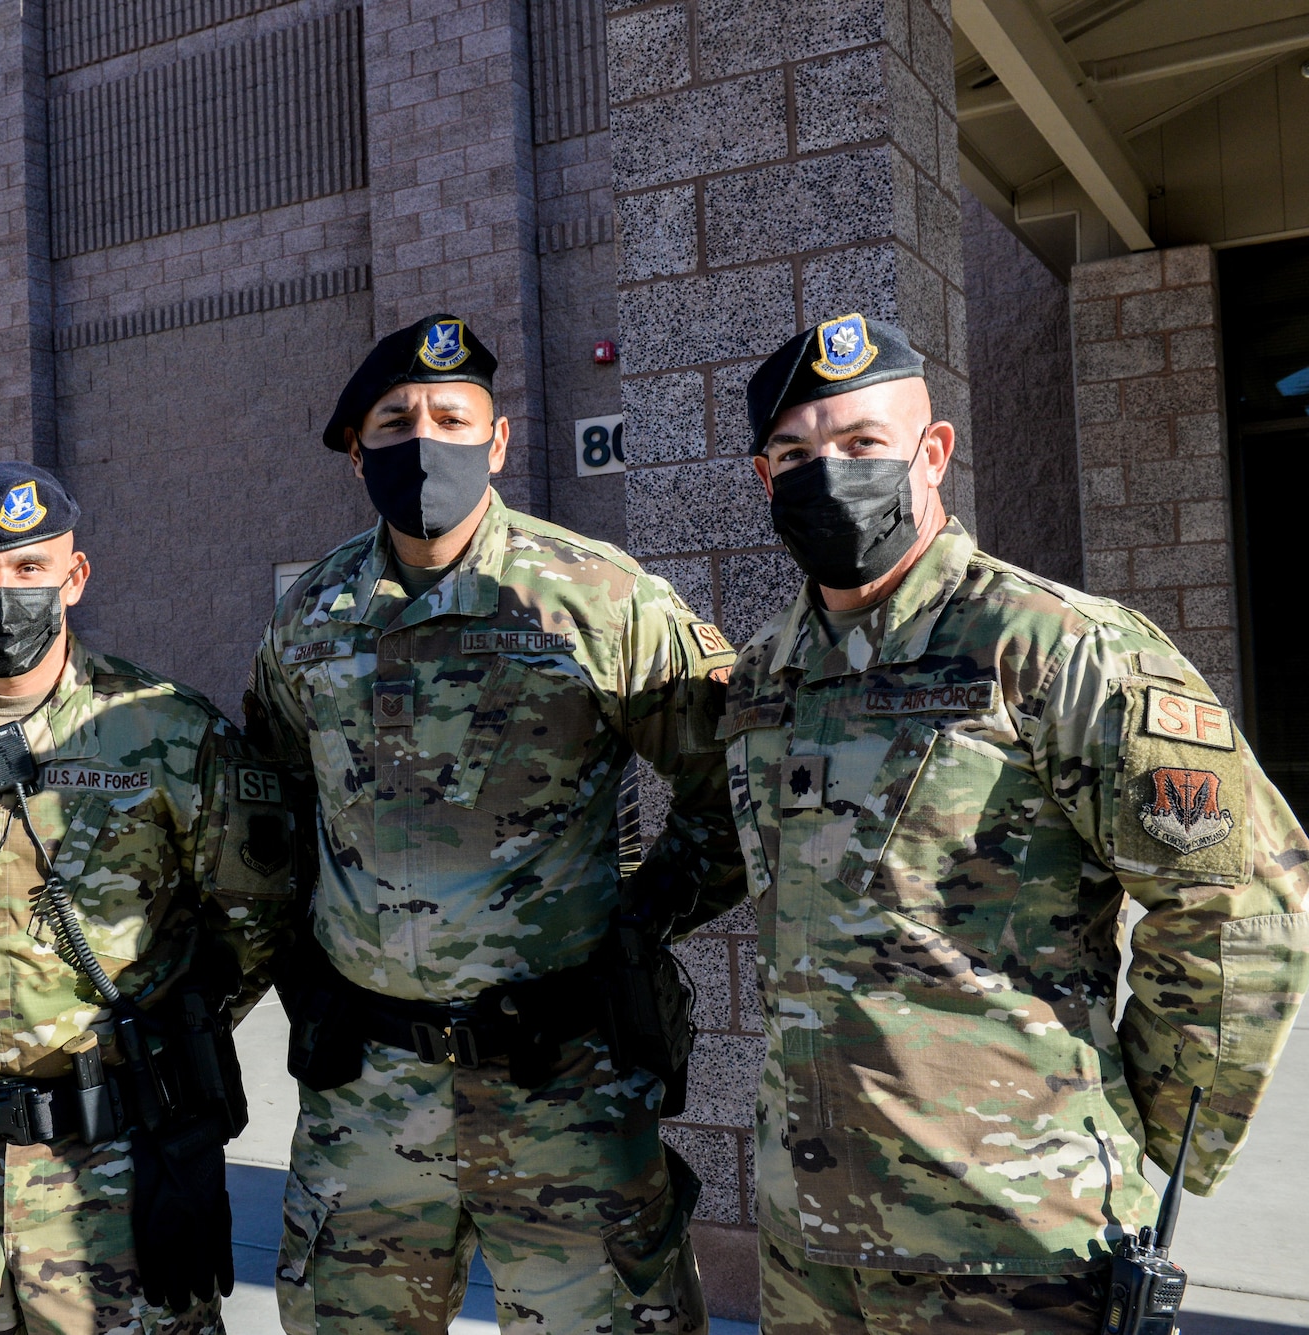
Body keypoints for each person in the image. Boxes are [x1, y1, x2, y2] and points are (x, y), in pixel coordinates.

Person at [722, 313, 1309, 1333]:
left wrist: (1134, 1141)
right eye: (793, 455)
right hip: (808, 1234)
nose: (827, 472)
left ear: (931, 451)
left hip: (1008, 1234)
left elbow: (1237, 905)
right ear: (763, 481)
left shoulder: (1055, 648)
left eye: (860, 445)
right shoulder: (767, 673)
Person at [245, 314, 747, 1334]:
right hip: (369, 1098)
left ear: (499, 441)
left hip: (559, 1083)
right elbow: (272, 809)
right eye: (394, 421)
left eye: (450, 416)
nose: (424, 439)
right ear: (357, 453)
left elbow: (732, 784)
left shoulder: (596, 601)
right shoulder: (309, 620)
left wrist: (639, 923)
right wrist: (300, 957)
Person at [0, 463, 294, 1335]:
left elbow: (254, 926)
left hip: (111, 1172)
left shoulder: (169, 735)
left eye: (30, 569)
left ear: (74, 577)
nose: (4, 594)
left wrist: (166, 1049)